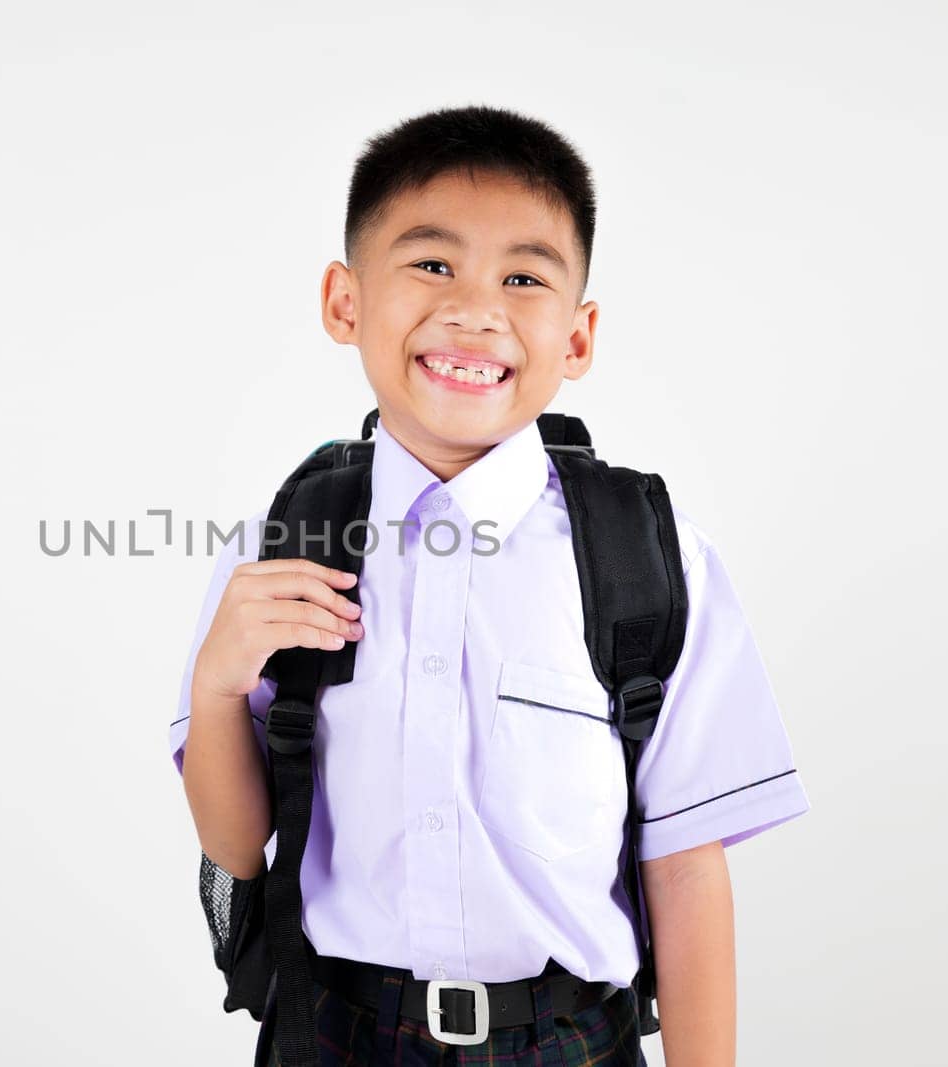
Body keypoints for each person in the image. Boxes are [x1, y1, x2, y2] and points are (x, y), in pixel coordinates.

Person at [167, 104, 810, 1066]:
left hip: (570, 1040)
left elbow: (683, 865)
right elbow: (239, 840)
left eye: (523, 276)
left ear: (579, 336)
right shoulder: (287, 543)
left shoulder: (646, 556)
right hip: (332, 1033)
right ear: (345, 301)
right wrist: (216, 686)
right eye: (432, 264)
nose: (475, 309)